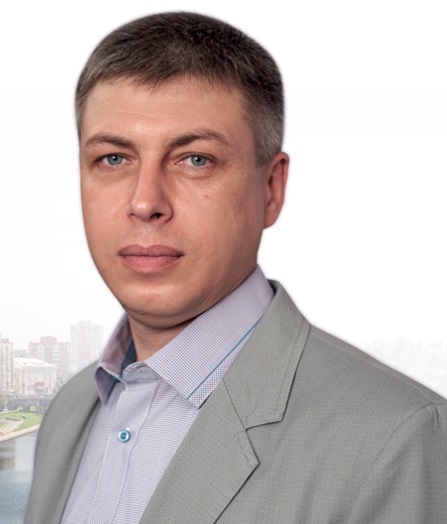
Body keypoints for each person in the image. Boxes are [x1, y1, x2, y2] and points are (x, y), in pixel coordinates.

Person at [25, 12, 447, 524]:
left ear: (271, 189)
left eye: (195, 159)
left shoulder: (398, 437)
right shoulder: (70, 411)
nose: (145, 202)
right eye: (114, 159)